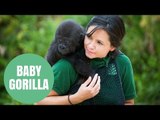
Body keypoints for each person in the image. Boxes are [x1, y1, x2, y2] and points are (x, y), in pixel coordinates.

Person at [36, 15, 136, 105]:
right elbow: (38, 100)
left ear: (112, 47)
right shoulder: (67, 66)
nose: (90, 46)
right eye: (89, 36)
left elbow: (129, 102)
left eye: (99, 42)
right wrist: (76, 98)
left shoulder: (122, 63)